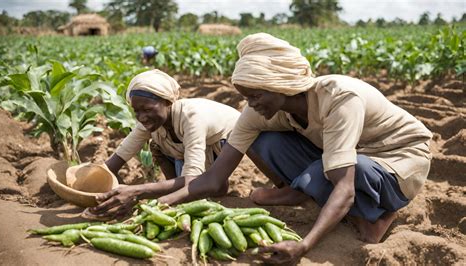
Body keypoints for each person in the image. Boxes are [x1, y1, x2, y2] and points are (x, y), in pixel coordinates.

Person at [92, 33, 432, 264]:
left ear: (279, 84)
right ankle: (302, 190)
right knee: (267, 141)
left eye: (255, 95)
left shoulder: (340, 97)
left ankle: (377, 214)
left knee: (328, 173)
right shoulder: (258, 111)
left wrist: (303, 245)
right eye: (245, 96)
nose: (249, 104)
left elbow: (342, 181)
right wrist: (152, 204)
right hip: (340, 154)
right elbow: (212, 180)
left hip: (398, 160)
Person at [103, 69, 240, 214]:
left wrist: (137, 191)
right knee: (158, 147)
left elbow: (192, 181)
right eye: (136, 111)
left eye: (147, 109)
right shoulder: (149, 123)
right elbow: (112, 164)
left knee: (201, 189)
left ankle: (217, 185)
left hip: (225, 142)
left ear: (168, 102)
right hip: (189, 150)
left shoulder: (191, 118)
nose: (142, 117)